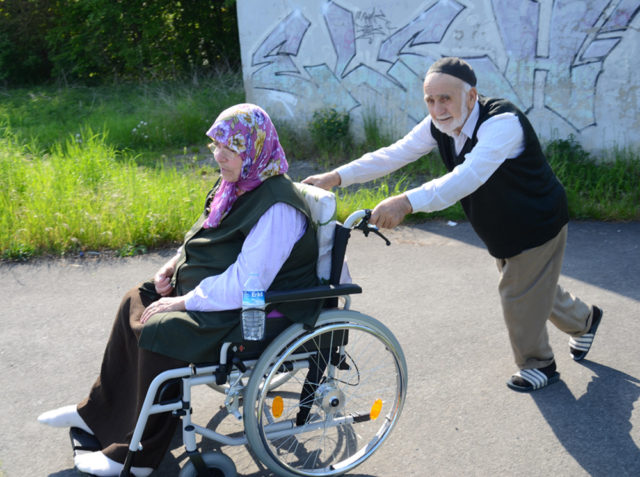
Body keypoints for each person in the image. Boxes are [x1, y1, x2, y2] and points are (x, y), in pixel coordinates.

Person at [38, 103, 322, 476]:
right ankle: (96, 413)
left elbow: (246, 283)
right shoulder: (236, 185)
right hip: (210, 295)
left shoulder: (278, 208)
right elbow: (200, 236)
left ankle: (139, 456)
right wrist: (170, 267)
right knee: (135, 300)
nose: (219, 156)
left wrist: (182, 301)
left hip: (252, 312)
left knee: (160, 329)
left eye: (230, 148)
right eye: (215, 145)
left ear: (255, 148)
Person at [304, 57, 603, 393]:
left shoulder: (502, 123)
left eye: (445, 98)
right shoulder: (441, 124)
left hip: (536, 220)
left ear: (471, 97)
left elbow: (466, 177)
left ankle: (538, 364)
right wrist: (336, 176)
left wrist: (405, 202)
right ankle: (585, 320)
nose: (437, 108)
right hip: (500, 226)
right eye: (430, 100)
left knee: (518, 291)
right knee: (532, 287)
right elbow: (394, 153)